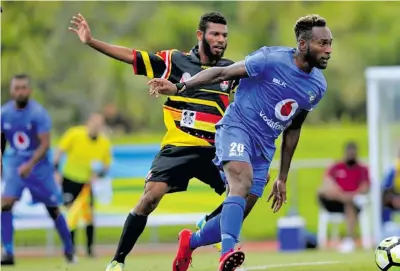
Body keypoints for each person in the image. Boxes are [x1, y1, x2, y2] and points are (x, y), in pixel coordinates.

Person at [68, 12, 264, 271]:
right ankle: (117, 260)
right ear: (200, 35)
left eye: (224, 35)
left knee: (246, 192)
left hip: (216, 149)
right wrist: (92, 41)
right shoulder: (174, 61)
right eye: (215, 34)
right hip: (178, 146)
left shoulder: (229, 71)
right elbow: (132, 56)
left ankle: (209, 227)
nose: (220, 40)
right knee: (151, 197)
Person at [148, 14, 331, 271]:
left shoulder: (317, 86)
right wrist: (180, 88)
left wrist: (283, 176)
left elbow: (294, 128)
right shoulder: (270, 58)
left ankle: (189, 242)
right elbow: (221, 72)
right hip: (237, 128)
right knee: (240, 182)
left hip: (264, 147)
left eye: (330, 43)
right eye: (322, 43)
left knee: (238, 211)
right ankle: (227, 253)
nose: (328, 50)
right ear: (303, 45)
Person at [0, 74, 75, 265]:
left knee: (53, 209)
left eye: (23, 87)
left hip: (39, 168)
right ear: (11, 90)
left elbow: (45, 144)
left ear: (29, 90)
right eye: (16, 87)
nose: (20, 91)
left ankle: (69, 248)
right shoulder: (4, 113)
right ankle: (8, 252)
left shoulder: (38, 113)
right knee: (6, 204)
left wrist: (30, 165)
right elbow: (1, 140)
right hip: (16, 165)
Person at [53, 112, 112, 257]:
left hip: (87, 184)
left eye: (100, 124)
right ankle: (70, 249)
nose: (96, 127)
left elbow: (106, 165)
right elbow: (59, 151)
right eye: (94, 123)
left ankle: (90, 249)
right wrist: (56, 170)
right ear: (88, 123)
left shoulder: (104, 142)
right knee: (71, 213)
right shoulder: (75, 134)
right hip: (70, 179)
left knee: (89, 216)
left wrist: (97, 175)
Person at [317, 142, 370, 253]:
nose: (351, 155)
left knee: (349, 205)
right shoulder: (335, 167)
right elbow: (327, 184)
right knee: (323, 191)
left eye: (353, 153)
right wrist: (341, 195)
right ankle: (323, 242)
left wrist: (352, 195)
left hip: (353, 202)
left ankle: (349, 240)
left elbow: (365, 187)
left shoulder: (362, 169)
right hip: (335, 201)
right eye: (349, 153)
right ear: (345, 153)